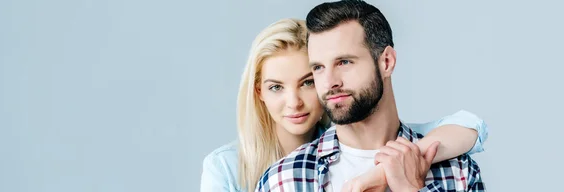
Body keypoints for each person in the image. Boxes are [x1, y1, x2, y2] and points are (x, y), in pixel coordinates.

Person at [202, 17, 487, 192]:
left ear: (386, 62)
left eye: (307, 81)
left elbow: (470, 124)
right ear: (258, 92)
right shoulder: (248, 171)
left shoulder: (452, 165)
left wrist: (392, 173)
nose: (294, 102)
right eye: (276, 86)